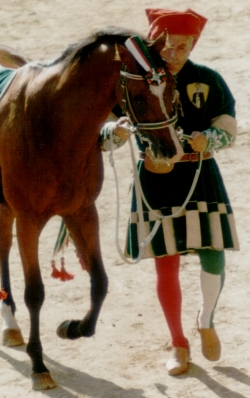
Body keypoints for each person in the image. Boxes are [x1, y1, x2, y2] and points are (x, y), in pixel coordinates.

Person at [100, 8, 239, 376]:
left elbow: (228, 126)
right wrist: (116, 134)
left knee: (214, 256)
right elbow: (103, 135)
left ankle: (205, 320)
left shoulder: (208, 79)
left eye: (183, 47)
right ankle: (178, 342)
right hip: (155, 180)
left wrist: (208, 138)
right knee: (167, 265)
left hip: (201, 175)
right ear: (154, 43)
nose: (174, 54)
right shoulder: (132, 82)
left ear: (193, 45)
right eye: (167, 46)